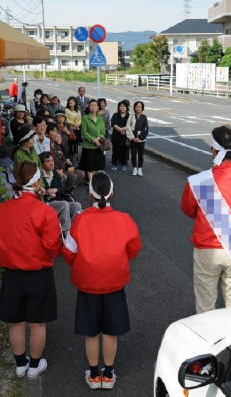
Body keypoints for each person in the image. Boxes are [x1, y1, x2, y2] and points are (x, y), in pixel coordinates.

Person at [62, 171, 141, 390]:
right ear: (112, 192)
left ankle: (94, 373)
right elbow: (133, 248)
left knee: (91, 331)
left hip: (88, 283)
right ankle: (108, 373)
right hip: (114, 282)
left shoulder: (80, 220)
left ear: (89, 194)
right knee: (110, 331)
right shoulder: (124, 219)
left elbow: (69, 253)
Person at [181, 126, 231, 314]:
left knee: (205, 306)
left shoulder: (199, 181)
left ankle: (209, 341)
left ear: (214, 150)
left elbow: (189, 210)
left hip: (207, 247)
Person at [0, 162, 61, 379]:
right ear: (35, 181)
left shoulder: (3, 209)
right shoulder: (44, 211)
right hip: (38, 273)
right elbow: (53, 246)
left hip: (12, 274)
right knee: (37, 323)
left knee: (15, 321)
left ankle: (19, 364)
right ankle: (34, 366)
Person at [40, 152, 81, 235]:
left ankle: (74, 230)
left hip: (58, 200)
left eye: (52, 160)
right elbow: (39, 192)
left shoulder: (54, 173)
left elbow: (63, 189)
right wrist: (47, 192)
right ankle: (65, 233)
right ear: (42, 164)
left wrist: (56, 189)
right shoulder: (39, 176)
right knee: (64, 204)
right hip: (46, 203)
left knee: (77, 205)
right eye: (48, 161)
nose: (52, 163)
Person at [79, 99, 105, 182]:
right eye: (92, 105)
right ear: (89, 107)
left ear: (98, 107)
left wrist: (98, 138)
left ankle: (93, 180)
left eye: (95, 105)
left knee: (96, 165)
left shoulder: (100, 118)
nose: (94, 107)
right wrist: (93, 140)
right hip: (88, 146)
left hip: (98, 146)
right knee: (89, 165)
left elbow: (103, 132)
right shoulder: (85, 118)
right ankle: (90, 182)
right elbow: (84, 132)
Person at [126, 101, 149, 176]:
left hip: (141, 139)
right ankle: (134, 168)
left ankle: (140, 168)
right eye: (137, 106)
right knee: (133, 154)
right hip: (133, 139)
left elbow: (145, 129)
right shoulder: (131, 116)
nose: (138, 108)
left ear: (142, 108)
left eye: (140, 107)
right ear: (134, 108)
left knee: (141, 154)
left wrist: (139, 138)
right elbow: (128, 127)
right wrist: (132, 138)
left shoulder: (144, 117)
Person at [111, 101, 130, 171]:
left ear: (127, 108)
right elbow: (113, 123)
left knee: (125, 151)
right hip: (116, 136)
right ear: (118, 107)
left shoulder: (129, 116)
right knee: (115, 151)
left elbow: (130, 125)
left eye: (124, 106)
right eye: (121, 106)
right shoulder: (115, 115)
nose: (122, 107)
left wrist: (124, 130)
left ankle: (124, 164)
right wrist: (120, 129)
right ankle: (114, 164)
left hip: (125, 137)